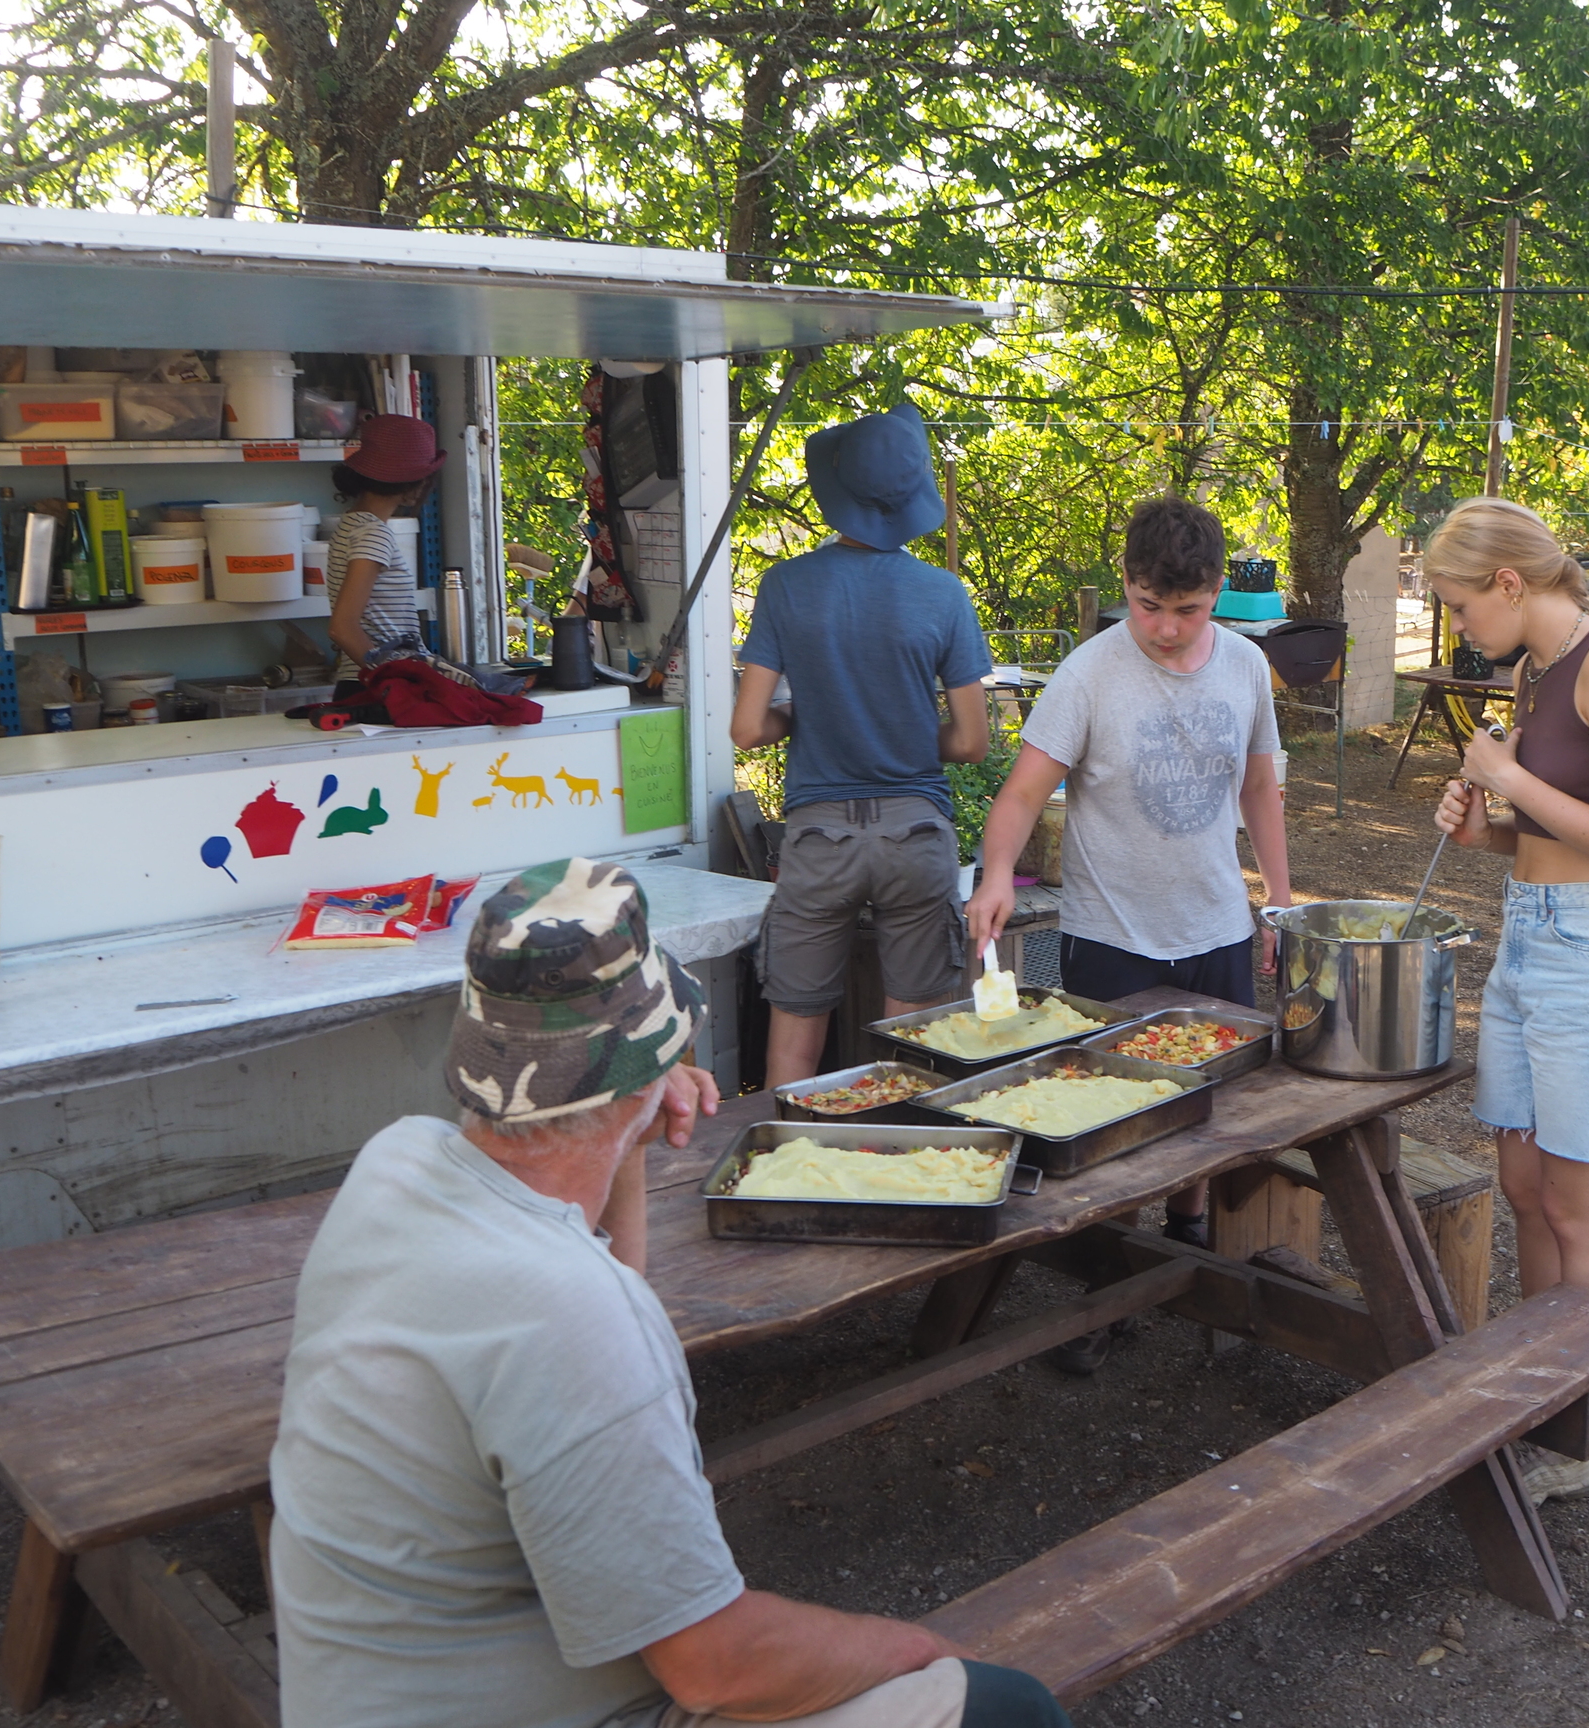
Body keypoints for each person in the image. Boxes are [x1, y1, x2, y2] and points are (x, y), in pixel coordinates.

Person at [270, 856, 1072, 1728]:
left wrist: (630, 1139)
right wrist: (920, 1647)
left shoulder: (397, 1161)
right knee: (1005, 1706)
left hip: (372, 1687)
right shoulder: (570, 1316)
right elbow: (711, 1666)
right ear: (641, 1069)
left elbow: (602, 1297)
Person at [966, 496, 1291, 1369]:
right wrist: (996, 875)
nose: (1168, 629)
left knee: (1213, 1113)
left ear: (1218, 592)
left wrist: (1282, 900)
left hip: (1216, 924)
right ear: (1126, 587)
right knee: (1106, 1117)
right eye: (1150, 605)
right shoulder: (1090, 671)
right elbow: (1025, 792)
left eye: (1188, 610)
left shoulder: (1250, 668)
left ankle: (1190, 1247)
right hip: (1111, 935)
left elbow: (1262, 789)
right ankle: (1107, 1288)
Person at [1424, 497, 1589, 1504]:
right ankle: (1539, 1403)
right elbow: (1541, 839)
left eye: (1457, 607)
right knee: (1523, 1188)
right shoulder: (1535, 671)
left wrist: (1510, 783)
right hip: (1530, 941)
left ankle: (1577, 1444)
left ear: (1509, 584)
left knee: (1578, 1205)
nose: (1456, 630)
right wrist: (1481, 818)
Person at [732, 402, 993, 1088]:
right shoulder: (944, 595)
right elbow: (971, 742)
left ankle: (787, 1178)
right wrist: (908, 733)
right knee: (909, 1046)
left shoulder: (785, 586)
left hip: (819, 842)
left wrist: (803, 719)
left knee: (794, 1047)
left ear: (836, 494)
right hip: (916, 837)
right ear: (913, 500)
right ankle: (902, 1176)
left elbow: (748, 727)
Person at [325, 413, 441, 693]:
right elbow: (342, 627)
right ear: (414, 484)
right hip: (371, 687)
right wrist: (393, 681)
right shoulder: (373, 534)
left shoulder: (350, 525)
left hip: (363, 683)